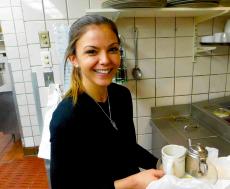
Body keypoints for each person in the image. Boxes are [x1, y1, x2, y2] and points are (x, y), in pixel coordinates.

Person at [50, 14, 164, 189]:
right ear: (74, 59)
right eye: (91, 51)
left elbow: (127, 147)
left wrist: (158, 164)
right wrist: (133, 182)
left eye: (112, 49)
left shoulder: (121, 96)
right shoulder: (66, 117)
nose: (105, 60)